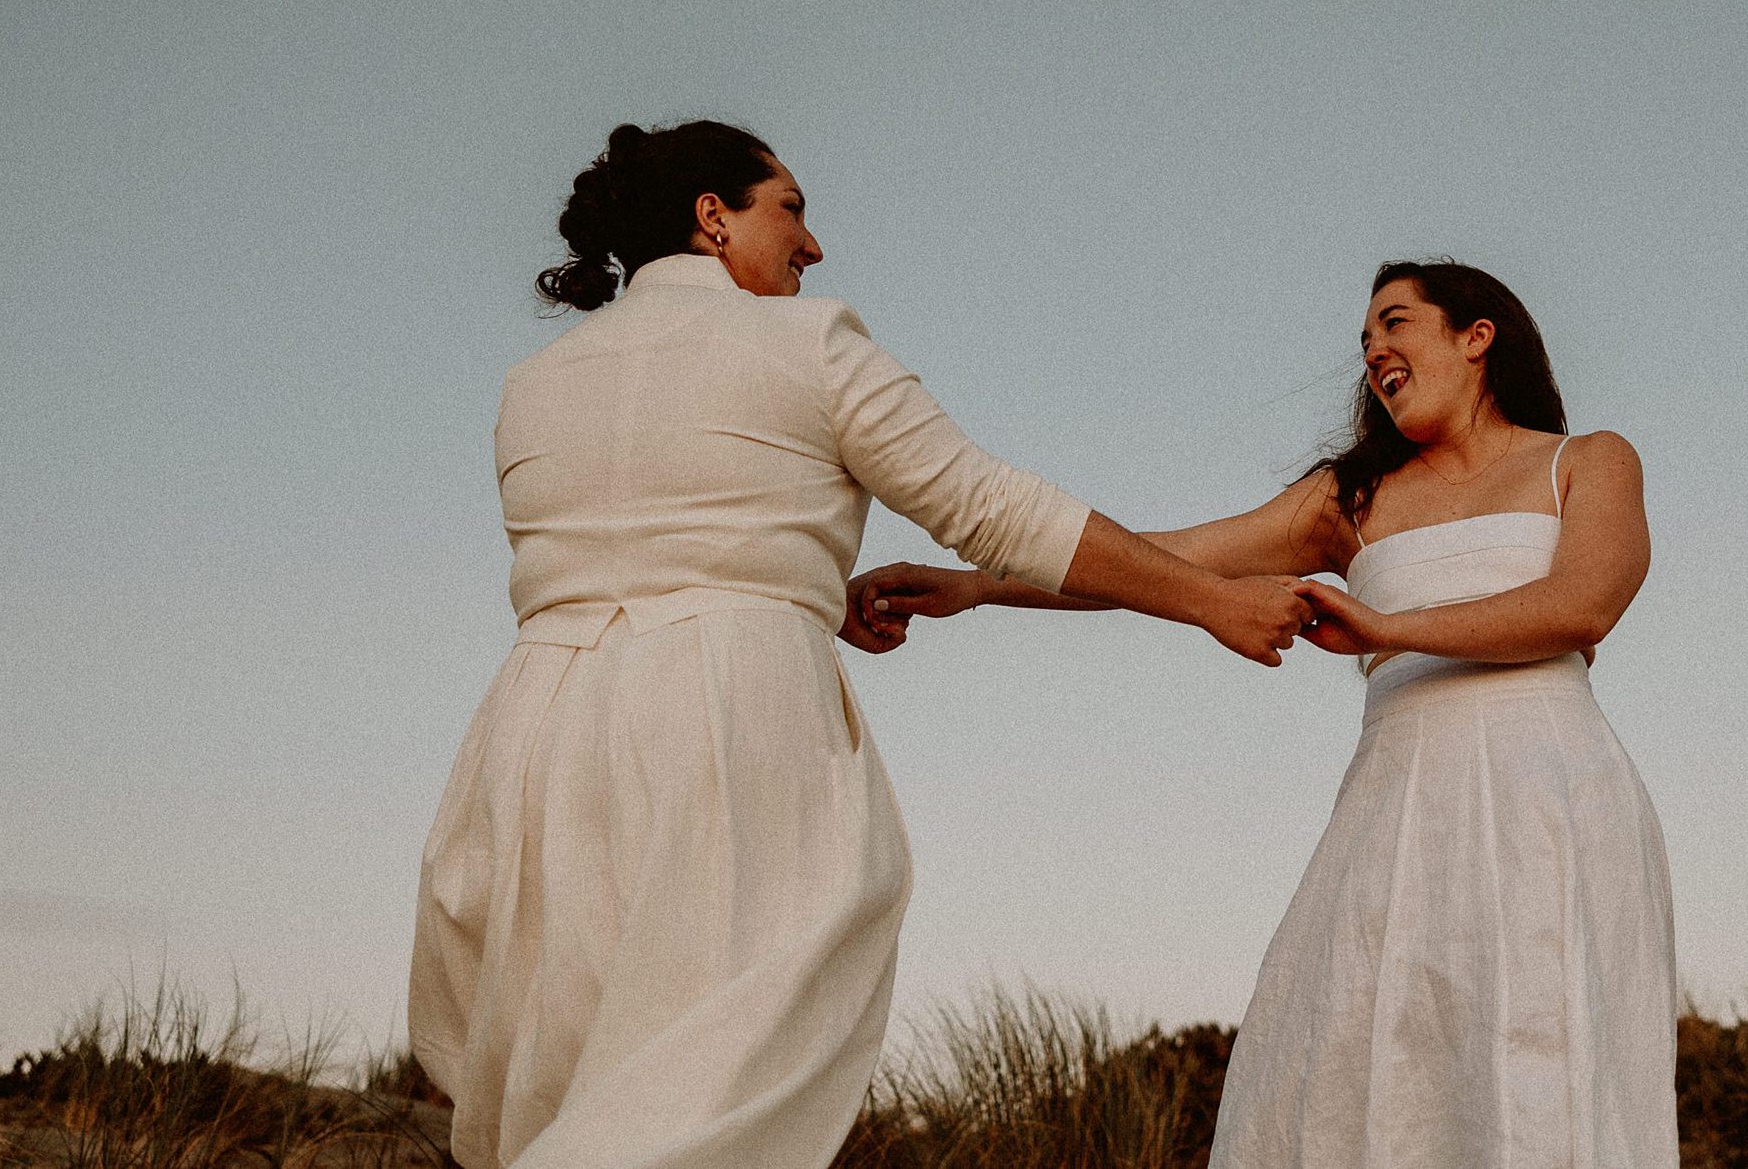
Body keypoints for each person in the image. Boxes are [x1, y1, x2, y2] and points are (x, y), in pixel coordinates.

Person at [407, 120, 1308, 1169]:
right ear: (713, 217)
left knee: (573, 1075)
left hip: (536, 736)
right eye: (790, 206)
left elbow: (634, 549)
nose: (813, 244)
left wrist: (801, 587)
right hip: (727, 725)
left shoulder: (535, 382)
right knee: (708, 1088)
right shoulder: (809, 341)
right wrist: (1208, 599)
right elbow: (995, 509)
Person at [849, 259, 1676, 1166]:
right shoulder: (1349, 499)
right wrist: (974, 585)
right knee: (1349, 1071)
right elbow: (1163, 558)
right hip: (1397, 810)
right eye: (1364, 341)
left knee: (1544, 1070)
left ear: (1477, 336)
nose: (1374, 352)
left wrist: (1390, 625)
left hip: (1551, 794)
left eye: (1396, 324)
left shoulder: (1588, 459)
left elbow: (1583, 604)